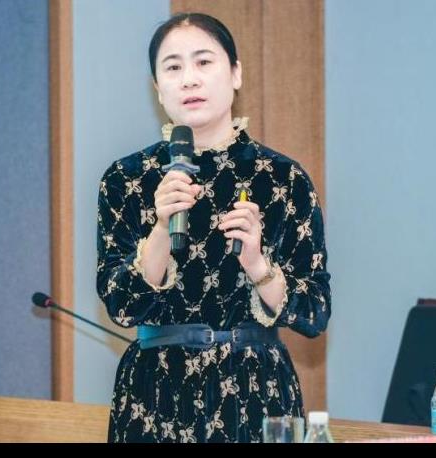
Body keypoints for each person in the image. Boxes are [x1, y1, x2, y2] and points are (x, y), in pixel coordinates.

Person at [97, 12, 331, 443]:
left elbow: (315, 312)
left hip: (256, 393)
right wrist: (161, 227)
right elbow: (121, 306)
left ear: (235, 73)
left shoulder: (284, 178)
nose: (189, 79)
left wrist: (258, 265)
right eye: (173, 67)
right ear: (157, 87)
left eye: (204, 62)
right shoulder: (126, 179)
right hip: (154, 397)